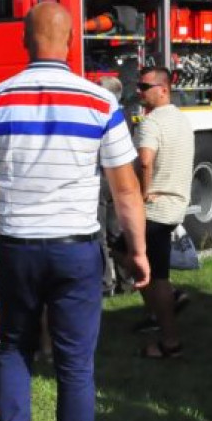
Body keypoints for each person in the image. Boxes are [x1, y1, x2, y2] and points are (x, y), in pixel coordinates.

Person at [0, 1, 149, 421]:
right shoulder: (101, 104)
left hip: (17, 247)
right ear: (70, 41)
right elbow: (126, 190)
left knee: (14, 349)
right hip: (75, 249)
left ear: (25, 40)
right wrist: (138, 250)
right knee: (75, 365)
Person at [133, 66, 195, 359]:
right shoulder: (182, 119)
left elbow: (145, 161)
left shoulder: (150, 122)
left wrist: (143, 192)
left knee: (157, 276)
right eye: (139, 86)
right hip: (174, 207)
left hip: (155, 210)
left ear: (163, 89)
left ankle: (170, 343)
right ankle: (162, 307)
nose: (139, 92)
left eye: (145, 87)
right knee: (123, 251)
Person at [96, 75, 127, 296]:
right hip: (117, 179)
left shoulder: (101, 115)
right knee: (116, 233)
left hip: (101, 178)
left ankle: (106, 283)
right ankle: (127, 282)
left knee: (100, 234)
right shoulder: (123, 115)